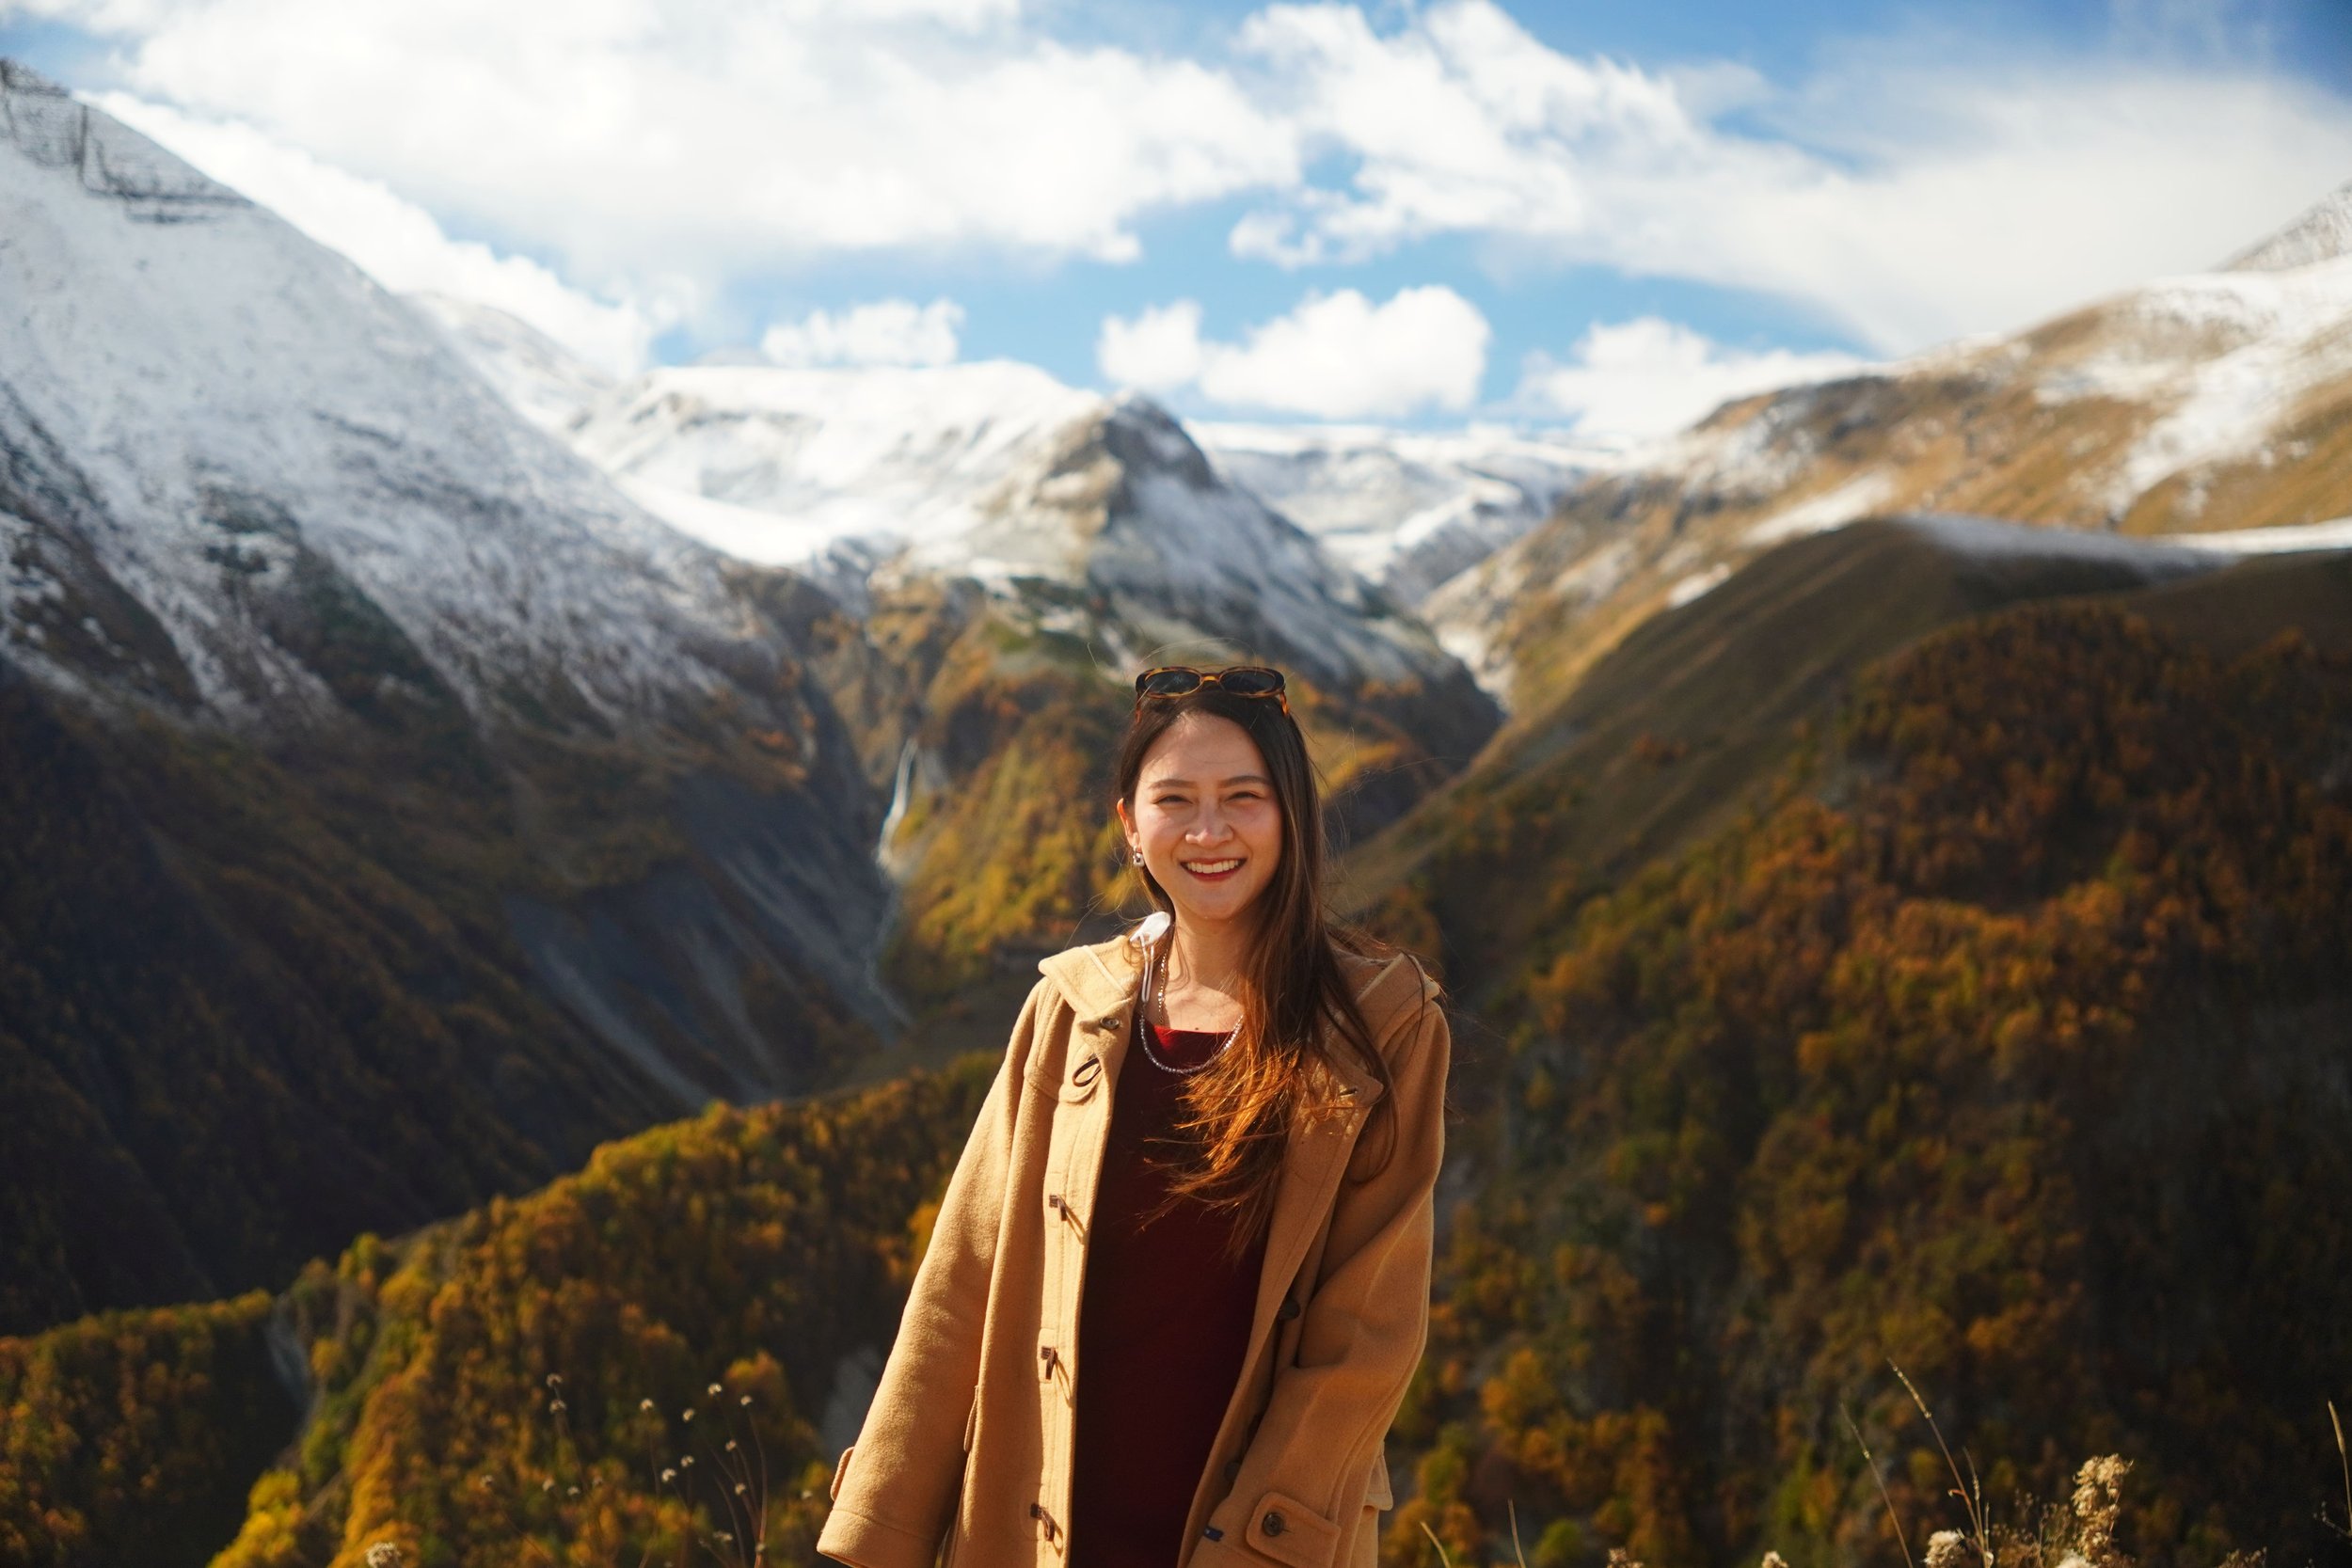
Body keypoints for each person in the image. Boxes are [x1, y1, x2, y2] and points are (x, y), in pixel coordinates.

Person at [818, 663, 1452, 1568]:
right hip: (1040, 1513)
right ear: (1130, 824)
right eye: (1175, 799)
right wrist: (876, 1526)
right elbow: (965, 1275)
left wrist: (1254, 1548)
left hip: (1248, 1524)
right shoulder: (1071, 1009)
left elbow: (1366, 1340)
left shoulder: (1382, 1022)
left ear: (1293, 815)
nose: (1209, 830)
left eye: (1244, 796)